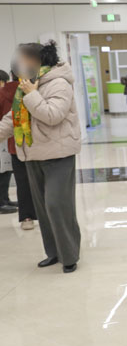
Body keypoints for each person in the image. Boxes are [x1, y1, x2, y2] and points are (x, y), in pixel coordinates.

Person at [0, 41, 82, 272]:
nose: (19, 63)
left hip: (59, 154)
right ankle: (53, 253)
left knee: (57, 205)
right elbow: (13, 118)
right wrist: (29, 92)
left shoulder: (59, 83)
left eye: (24, 58)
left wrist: (32, 94)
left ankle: (69, 255)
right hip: (33, 154)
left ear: (38, 60)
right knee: (43, 209)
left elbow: (52, 115)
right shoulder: (27, 84)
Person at [0, 69, 36, 228]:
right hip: (37, 143)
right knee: (41, 181)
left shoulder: (3, 93)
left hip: (14, 143)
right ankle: (46, 216)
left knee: (22, 182)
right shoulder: (35, 89)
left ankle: (27, 219)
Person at [0, 70, 18, 214]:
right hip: (3, 134)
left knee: (6, 170)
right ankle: (1, 202)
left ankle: (5, 199)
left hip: (5, 136)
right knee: (3, 170)